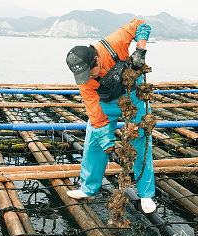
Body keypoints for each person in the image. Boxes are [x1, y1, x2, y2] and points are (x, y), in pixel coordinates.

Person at [65, 19, 156, 213]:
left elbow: (140, 24)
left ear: (96, 59)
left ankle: (146, 195)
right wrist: (110, 148)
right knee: (93, 140)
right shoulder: (85, 81)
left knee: (140, 140)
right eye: (83, 76)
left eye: (90, 72)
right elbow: (96, 117)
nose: (88, 78)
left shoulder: (113, 43)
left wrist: (140, 51)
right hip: (106, 104)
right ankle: (88, 189)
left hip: (133, 97)